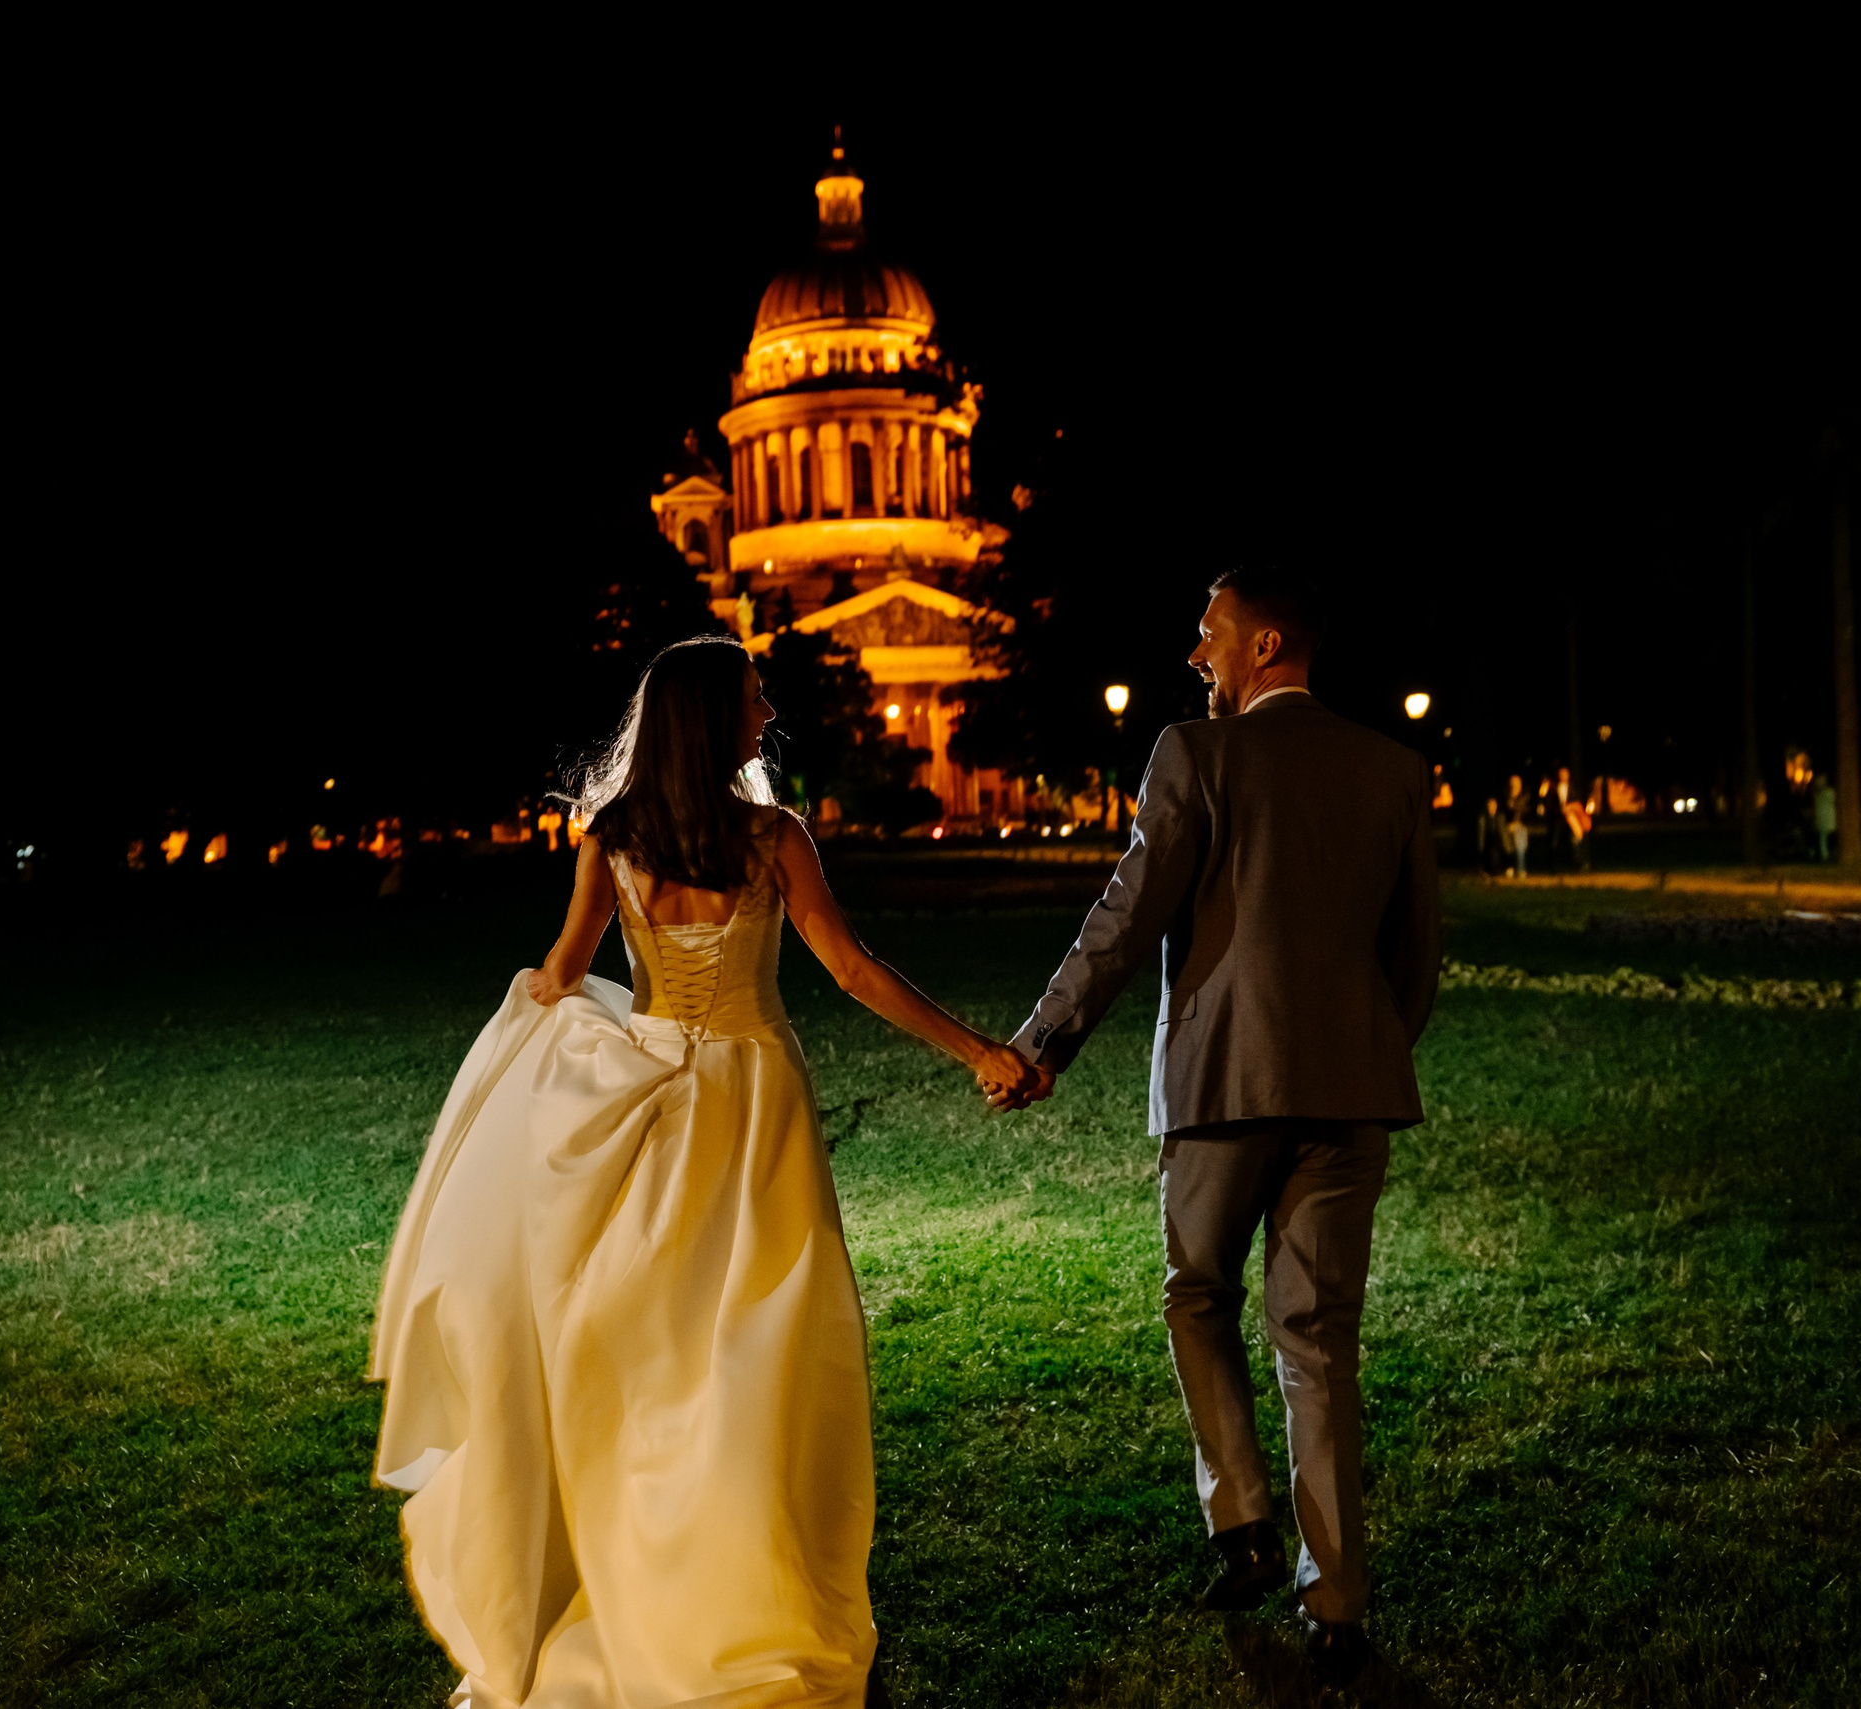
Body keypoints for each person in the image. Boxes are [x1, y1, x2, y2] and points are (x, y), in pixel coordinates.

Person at [370, 634, 1037, 1708]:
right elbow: (849, 967)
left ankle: (653, 1564)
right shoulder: (773, 836)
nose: (767, 710)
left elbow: (561, 972)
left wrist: (535, 1067)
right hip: (753, 1099)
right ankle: (740, 1584)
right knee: (760, 1343)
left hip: (644, 1103)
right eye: (754, 696)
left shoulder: (613, 838)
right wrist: (976, 1049)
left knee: (655, 1342)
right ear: (711, 718)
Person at [990, 566, 1439, 1688]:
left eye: (1210, 635)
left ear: (1265, 644)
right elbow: (1416, 954)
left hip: (1220, 1081)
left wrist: (1044, 1041)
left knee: (1197, 1293)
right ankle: (1337, 1605)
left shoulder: (1196, 754)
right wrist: (1360, 1047)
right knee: (1318, 1339)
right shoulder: (1392, 767)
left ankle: (1241, 1521)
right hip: (1352, 1090)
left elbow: (1128, 911)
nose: (1197, 656)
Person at [1813, 775, 1838, 863]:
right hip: (1824, 819)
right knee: (1823, 838)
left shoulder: (1829, 793)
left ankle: (1829, 854)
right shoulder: (1819, 794)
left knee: (1828, 837)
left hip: (1829, 819)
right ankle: (1825, 855)